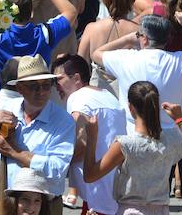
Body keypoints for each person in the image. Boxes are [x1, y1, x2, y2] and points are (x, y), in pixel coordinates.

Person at [0, 55, 75, 215]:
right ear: (19, 88)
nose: (41, 91)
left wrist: (15, 153)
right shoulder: (4, 109)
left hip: (41, 209)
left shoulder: (63, 121)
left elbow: (57, 170)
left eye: (46, 86)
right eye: (34, 86)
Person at [83, 83, 182, 215]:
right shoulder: (171, 139)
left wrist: (92, 138)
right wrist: (180, 119)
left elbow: (90, 176)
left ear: (131, 108)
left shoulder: (125, 144)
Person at [93, 12, 182, 132]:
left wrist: (128, 39)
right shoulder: (180, 61)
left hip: (133, 133)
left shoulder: (126, 59)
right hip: (170, 135)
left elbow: (96, 54)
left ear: (144, 39)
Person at [51, 54, 126, 213]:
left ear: (76, 78)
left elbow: (81, 143)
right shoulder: (107, 95)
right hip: (114, 188)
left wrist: (53, 161)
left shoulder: (78, 98)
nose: (55, 86)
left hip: (97, 192)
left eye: (58, 79)